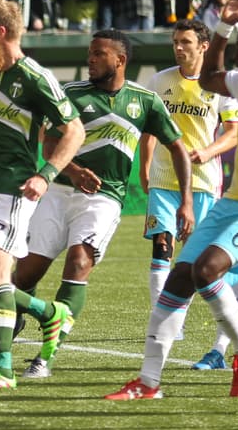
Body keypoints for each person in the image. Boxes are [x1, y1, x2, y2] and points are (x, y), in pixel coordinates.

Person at [106, 8, 238, 402]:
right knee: (181, 277)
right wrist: (224, 26)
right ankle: (148, 382)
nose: (236, 59)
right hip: (232, 200)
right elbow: (212, 74)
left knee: (207, 270)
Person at [13, 30, 193, 380]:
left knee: (79, 262)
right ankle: (19, 313)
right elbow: (48, 147)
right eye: (90, 53)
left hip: (105, 200)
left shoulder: (145, 101)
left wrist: (186, 200)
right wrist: (76, 170)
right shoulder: (70, 95)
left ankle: (45, 357)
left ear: (120, 60)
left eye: (98, 53)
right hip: (59, 192)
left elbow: (178, 149)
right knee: (26, 274)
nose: (90, 59)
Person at [0, 0, 84, 390]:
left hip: (15, 188)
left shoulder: (35, 77)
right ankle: (47, 313)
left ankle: (3, 369)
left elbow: (74, 129)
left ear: (0, 32)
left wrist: (46, 174)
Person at [139, 20, 238, 317]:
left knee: (193, 258)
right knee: (161, 248)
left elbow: (234, 132)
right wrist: (145, 170)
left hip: (203, 182)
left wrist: (207, 152)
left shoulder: (220, 85)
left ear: (204, 47)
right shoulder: (159, 82)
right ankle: (163, 320)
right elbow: (149, 132)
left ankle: (181, 314)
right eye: (175, 42)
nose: (179, 48)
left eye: (185, 42)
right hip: (163, 178)